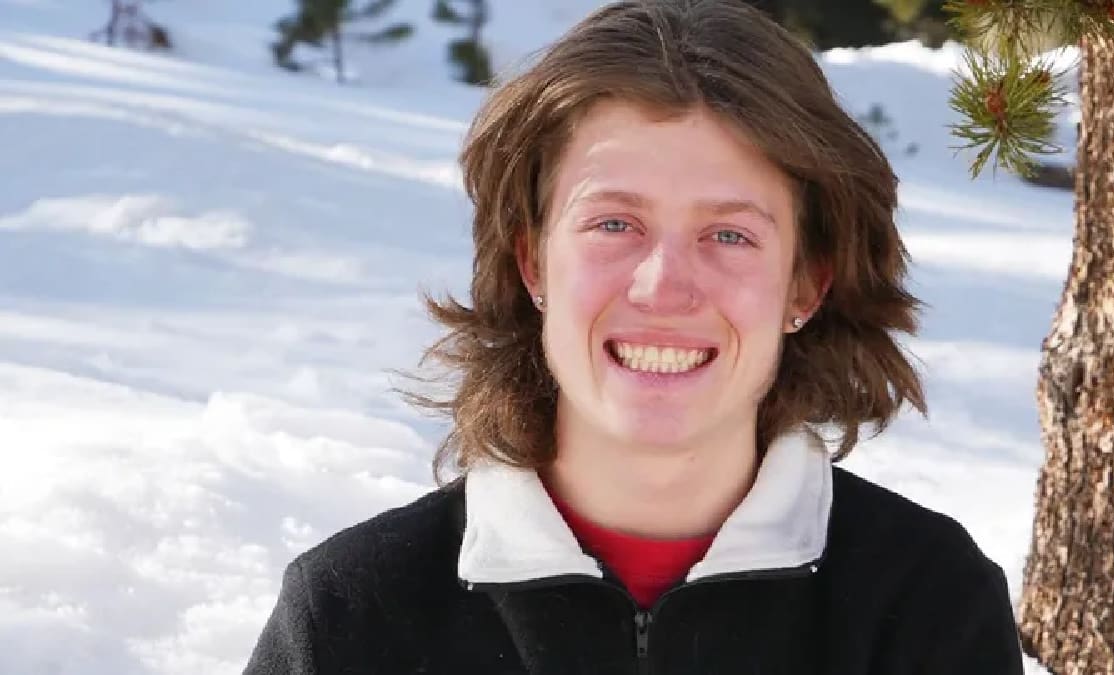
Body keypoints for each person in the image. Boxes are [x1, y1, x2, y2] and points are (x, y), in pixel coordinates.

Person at [243, 1, 1024, 673]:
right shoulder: (354, 614)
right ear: (531, 262)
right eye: (614, 223)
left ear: (806, 284)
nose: (663, 286)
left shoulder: (927, 607)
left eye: (729, 234)